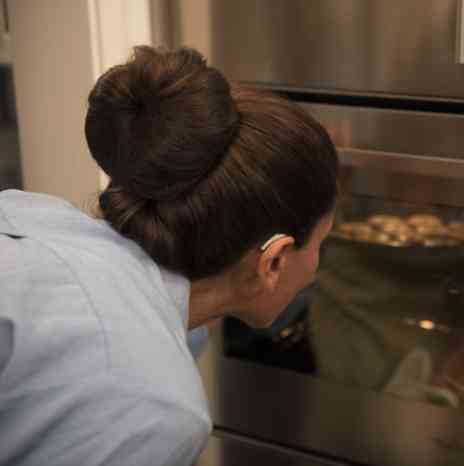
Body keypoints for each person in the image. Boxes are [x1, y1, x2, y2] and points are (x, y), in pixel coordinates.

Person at [0, 46, 338, 465]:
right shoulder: (150, 405)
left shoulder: (31, 213)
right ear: (274, 260)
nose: (318, 266)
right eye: (324, 240)